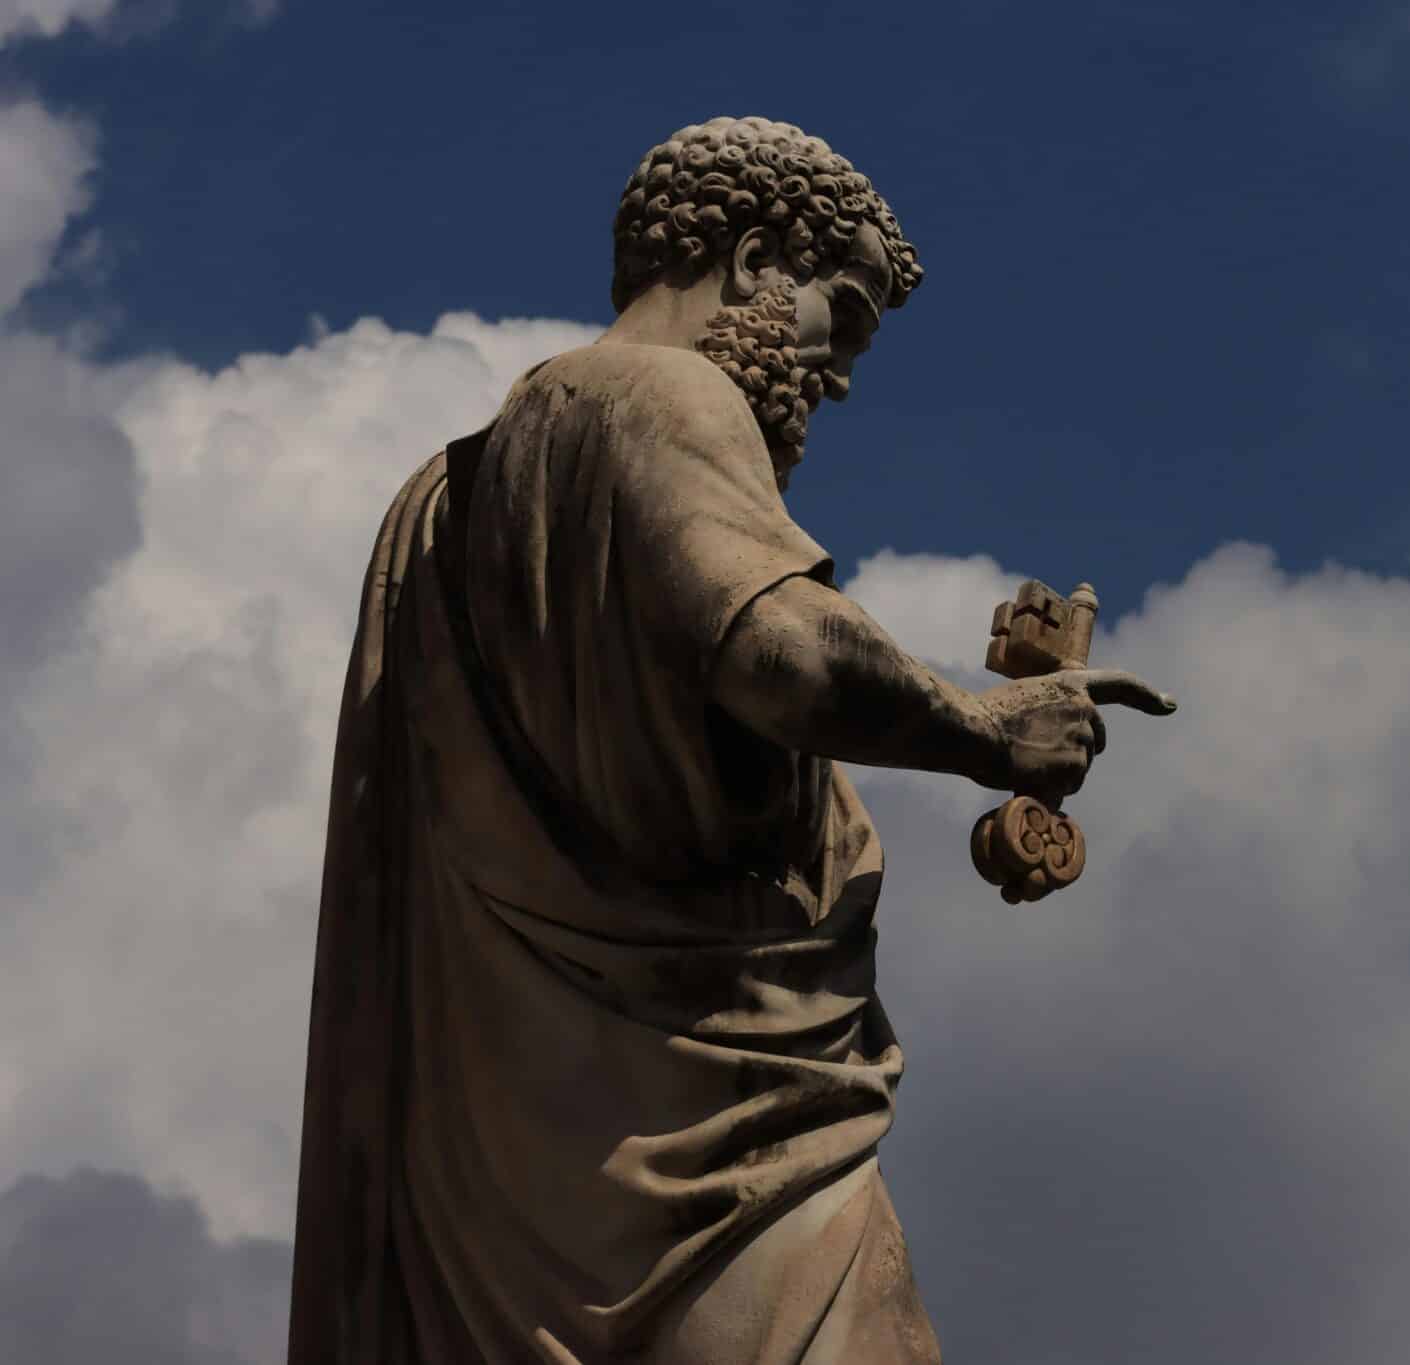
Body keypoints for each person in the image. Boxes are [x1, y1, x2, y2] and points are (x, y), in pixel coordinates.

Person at [287, 115, 1176, 1365]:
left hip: (515, 1163)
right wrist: (985, 730)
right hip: (721, 1163)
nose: (841, 372)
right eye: (846, 314)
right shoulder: (656, 395)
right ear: (760, 256)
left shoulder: (441, 501)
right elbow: (778, 652)